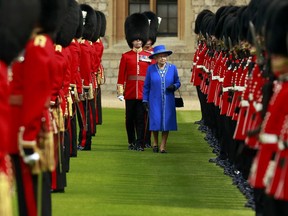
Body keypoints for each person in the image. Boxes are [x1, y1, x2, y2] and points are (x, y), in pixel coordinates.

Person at [117, 13, 151, 151]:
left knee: (141, 119)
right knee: (129, 119)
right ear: (131, 41)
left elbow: (150, 76)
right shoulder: (126, 56)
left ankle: (140, 142)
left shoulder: (148, 57)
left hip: (143, 92)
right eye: (135, 40)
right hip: (130, 92)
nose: (138, 42)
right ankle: (131, 140)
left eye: (139, 39)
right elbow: (121, 76)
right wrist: (120, 92)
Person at [143, 45, 181, 153]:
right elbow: (146, 85)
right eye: (160, 56)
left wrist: (174, 86)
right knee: (155, 121)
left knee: (167, 122)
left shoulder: (172, 68)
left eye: (164, 56)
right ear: (155, 58)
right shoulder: (150, 69)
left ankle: (163, 145)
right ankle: (155, 141)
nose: (163, 58)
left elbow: (177, 82)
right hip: (154, 99)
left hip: (168, 100)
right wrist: (145, 100)